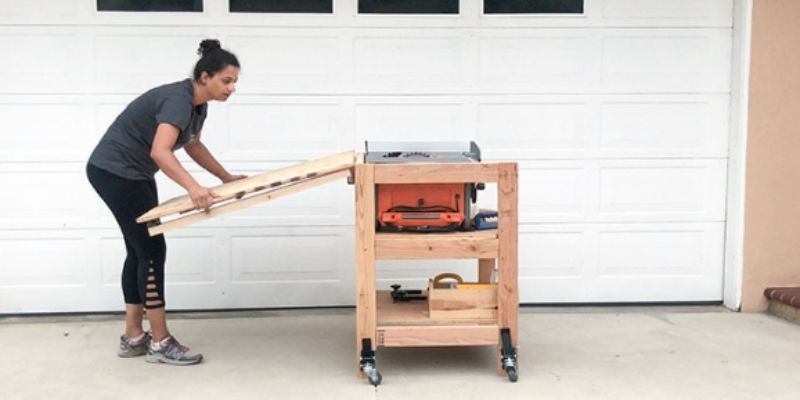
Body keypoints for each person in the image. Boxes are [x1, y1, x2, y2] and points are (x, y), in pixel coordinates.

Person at [86, 39, 244, 365]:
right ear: (204, 77)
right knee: (152, 251)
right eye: (226, 81)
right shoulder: (178, 100)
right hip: (116, 172)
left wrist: (224, 177)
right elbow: (160, 151)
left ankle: (134, 336)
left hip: (130, 173)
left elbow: (192, 145)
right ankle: (160, 341)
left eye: (234, 82)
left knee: (139, 249)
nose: (232, 88)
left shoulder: (198, 106)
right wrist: (193, 188)